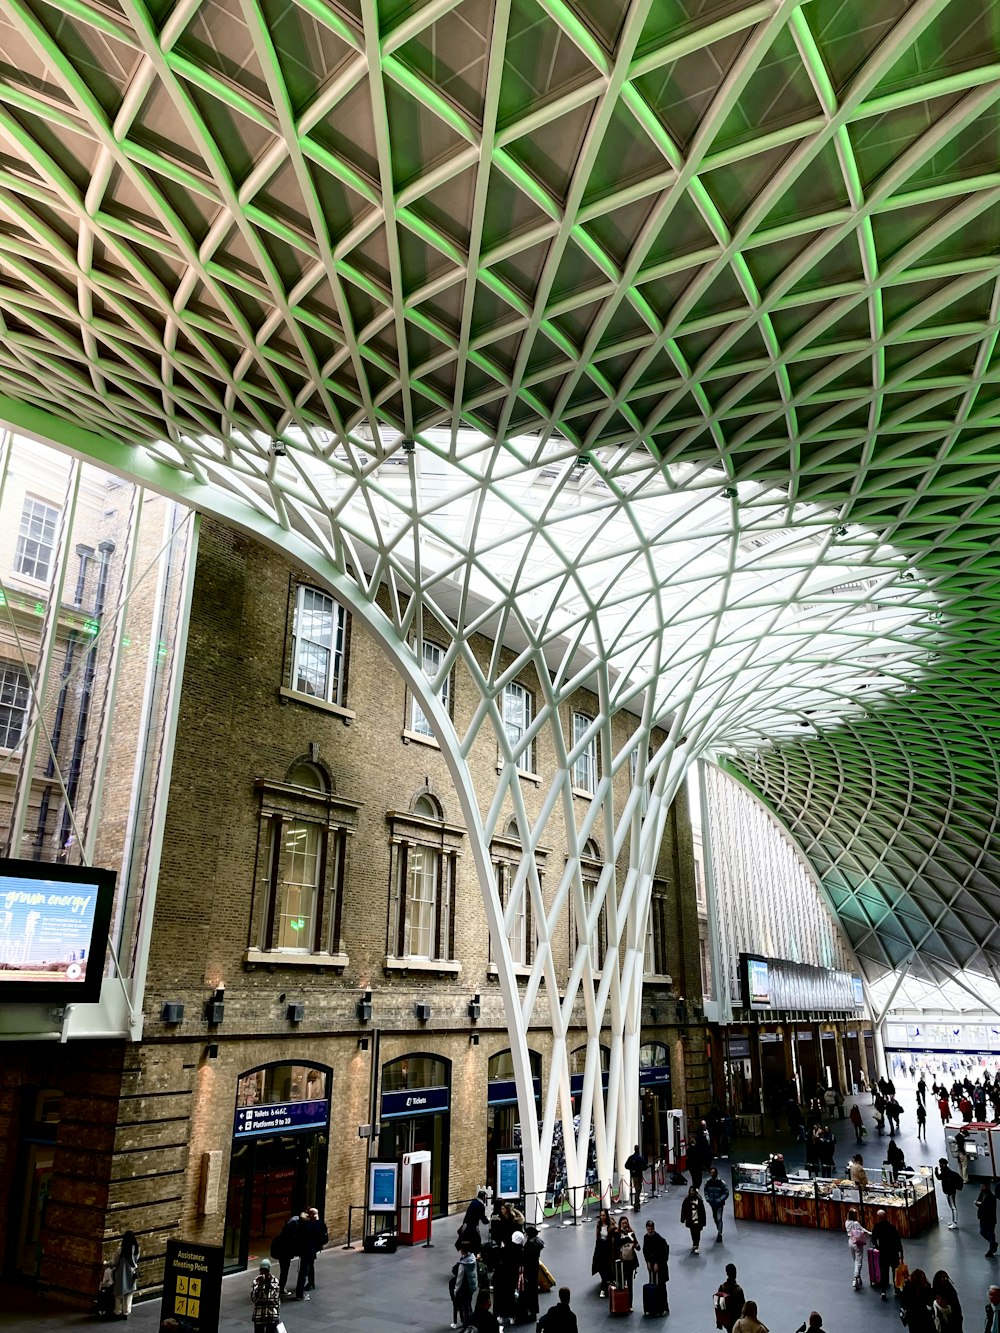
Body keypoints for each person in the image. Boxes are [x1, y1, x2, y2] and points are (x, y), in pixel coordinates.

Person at [871, 1208, 904, 1302]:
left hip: (884, 1253)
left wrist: (878, 1247)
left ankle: (883, 1291)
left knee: (884, 1273)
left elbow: (873, 1240)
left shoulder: (876, 1227)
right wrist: (901, 1252)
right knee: (895, 1272)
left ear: (878, 1217)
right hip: (893, 1253)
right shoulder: (892, 1227)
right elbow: (898, 1240)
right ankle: (897, 1290)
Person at [294, 1207, 326, 1300]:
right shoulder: (310, 1225)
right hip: (307, 1251)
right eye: (315, 1214)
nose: (317, 1216)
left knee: (306, 1269)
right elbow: (318, 1232)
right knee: (303, 1272)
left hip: (306, 1251)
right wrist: (316, 1220)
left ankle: (308, 1285)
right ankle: (299, 1294)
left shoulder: (305, 1224)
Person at [642, 1219, 669, 1315]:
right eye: (648, 1229)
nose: (649, 1231)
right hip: (652, 1266)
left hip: (660, 1266)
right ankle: (654, 1307)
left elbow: (663, 1253)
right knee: (653, 1285)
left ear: (653, 1228)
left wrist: (658, 1263)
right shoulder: (646, 1238)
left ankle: (664, 1307)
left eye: (650, 1229)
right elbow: (645, 1251)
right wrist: (648, 1262)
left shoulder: (659, 1239)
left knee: (661, 1286)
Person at [112, 1231, 140, 1320]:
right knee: (129, 1294)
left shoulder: (121, 1250)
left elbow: (115, 1262)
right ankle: (126, 1312)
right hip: (131, 1273)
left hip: (121, 1273)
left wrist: (108, 1264)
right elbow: (136, 1260)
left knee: (118, 1293)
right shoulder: (136, 1249)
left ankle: (118, 1311)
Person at [271, 1212, 300, 1296]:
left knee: (283, 1270)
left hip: (282, 1252)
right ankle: (281, 1288)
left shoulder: (285, 1231)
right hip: (285, 1253)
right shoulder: (291, 1234)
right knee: (284, 1271)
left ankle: (281, 1287)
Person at [250, 1257, 281, 1333]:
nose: (263, 1272)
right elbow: (254, 1299)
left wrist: (268, 1285)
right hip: (259, 1315)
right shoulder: (256, 1281)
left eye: (265, 1270)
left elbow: (275, 1299)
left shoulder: (274, 1281)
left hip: (271, 1315)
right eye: (262, 1270)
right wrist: (260, 1286)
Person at [519, 1225, 544, 1321]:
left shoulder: (530, 1245)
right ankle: (533, 1311)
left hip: (529, 1270)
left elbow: (526, 1258)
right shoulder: (537, 1242)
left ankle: (529, 1311)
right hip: (534, 1269)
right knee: (533, 1291)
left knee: (529, 1291)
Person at [899, 1267, 934, 1333]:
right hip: (919, 1320)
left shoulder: (910, 1289)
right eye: (923, 1279)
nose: (925, 1281)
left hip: (917, 1320)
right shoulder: (923, 1291)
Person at [714, 1263, 745, 1333]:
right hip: (736, 1321)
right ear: (735, 1273)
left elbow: (718, 1305)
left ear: (727, 1273)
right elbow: (743, 1308)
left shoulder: (722, 1287)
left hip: (727, 1320)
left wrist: (719, 1321)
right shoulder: (738, 1290)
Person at [591, 1207, 615, 1298]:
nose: (602, 1217)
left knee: (607, 1267)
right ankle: (604, 1284)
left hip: (608, 1248)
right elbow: (597, 1237)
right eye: (601, 1215)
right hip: (600, 1247)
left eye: (604, 1215)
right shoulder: (599, 1224)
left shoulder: (611, 1224)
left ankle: (604, 1288)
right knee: (600, 1267)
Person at [455, 1242, 480, 1328]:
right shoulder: (472, 1257)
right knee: (468, 1303)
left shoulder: (463, 1264)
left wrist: (456, 1290)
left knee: (465, 1306)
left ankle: (467, 1324)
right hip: (472, 1285)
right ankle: (472, 1320)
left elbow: (459, 1278)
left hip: (465, 1287)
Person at [616, 1216, 640, 1301]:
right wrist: (628, 1239)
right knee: (621, 1283)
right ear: (620, 1224)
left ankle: (629, 1304)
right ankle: (622, 1302)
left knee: (630, 1283)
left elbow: (638, 1247)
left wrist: (635, 1245)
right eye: (623, 1223)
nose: (625, 1225)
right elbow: (617, 1245)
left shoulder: (631, 1233)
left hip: (630, 1262)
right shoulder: (618, 1234)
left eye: (626, 1223)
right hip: (621, 1263)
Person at [845, 1206, 869, 1292]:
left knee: (855, 1260)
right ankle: (855, 1278)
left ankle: (859, 1278)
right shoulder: (856, 1223)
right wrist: (870, 1233)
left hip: (850, 1241)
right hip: (857, 1243)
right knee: (858, 1261)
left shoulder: (847, 1222)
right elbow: (863, 1230)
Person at [704, 1167, 729, 1242]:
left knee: (719, 1218)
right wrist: (708, 1199)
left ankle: (719, 1234)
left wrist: (720, 1199)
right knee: (715, 1218)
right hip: (712, 1203)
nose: (712, 1174)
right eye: (711, 1173)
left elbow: (726, 1192)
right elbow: (706, 1191)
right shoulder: (708, 1182)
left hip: (719, 1204)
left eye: (713, 1173)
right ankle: (719, 1229)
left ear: (716, 1173)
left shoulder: (721, 1183)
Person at [681, 1184, 707, 1255]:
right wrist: (683, 1219)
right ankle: (694, 1243)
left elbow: (702, 1211)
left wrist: (704, 1221)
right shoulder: (686, 1200)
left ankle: (696, 1245)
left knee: (697, 1233)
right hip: (690, 1220)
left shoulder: (699, 1200)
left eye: (693, 1191)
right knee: (692, 1232)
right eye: (690, 1191)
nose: (692, 1192)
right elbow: (684, 1209)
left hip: (698, 1220)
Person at [937, 1158, 963, 1229]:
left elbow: (939, 1177)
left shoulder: (946, 1172)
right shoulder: (947, 1171)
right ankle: (953, 1221)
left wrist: (936, 1172)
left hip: (950, 1192)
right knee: (952, 1206)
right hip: (950, 1191)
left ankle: (955, 1222)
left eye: (940, 1163)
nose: (939, 1165)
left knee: (953, 1207)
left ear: (943, 1164)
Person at [978, 1182, 998, 1259]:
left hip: (990, 1219)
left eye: (983, 1186)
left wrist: (981, 1205)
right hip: (983, 1217)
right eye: (981, 1186)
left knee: (990, 1233)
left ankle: (991, 1249)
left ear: (987, 1186)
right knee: (982, 1232)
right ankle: (993, 1244)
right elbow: (979, 1201)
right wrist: (978, 1203)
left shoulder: (991, 1197)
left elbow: (990, 1209)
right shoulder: (982, 1193)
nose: (982, 1187)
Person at [625, 1143, 647, 1211]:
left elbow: (626, 1165)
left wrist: (632, 1169)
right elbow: (645, 1167)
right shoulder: (640, 1158)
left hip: (633, 1175)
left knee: (637, 1188)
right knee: (638, 1189)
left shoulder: (631, 1157)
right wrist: (640, 1169)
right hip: (639, 1175)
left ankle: (637, 1203)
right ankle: (636, 1204)